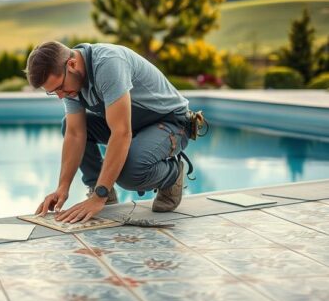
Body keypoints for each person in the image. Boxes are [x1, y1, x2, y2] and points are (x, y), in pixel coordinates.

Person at [26, 41, 204, 224]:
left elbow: (121, 133)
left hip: (170, 122)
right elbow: (75, 134)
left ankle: (172, 175)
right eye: (53, 92)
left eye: (59, 88)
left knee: (129, 174)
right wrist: (62, 188)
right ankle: (103, 190)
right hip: (133, 125)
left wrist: (98, 198)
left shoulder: (108, 64)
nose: (61, 96)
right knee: (69, 125)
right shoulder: (71, 83)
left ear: (71, 64)